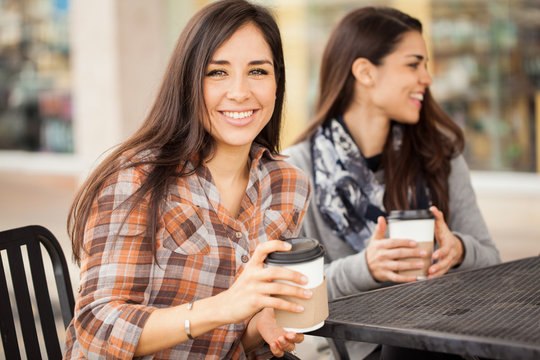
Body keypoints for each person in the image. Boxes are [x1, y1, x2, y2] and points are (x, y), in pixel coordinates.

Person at [64, 1, 312, 358]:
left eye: (258, 71)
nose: (240, 92)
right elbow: (96, 327)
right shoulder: (136, 179)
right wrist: (224, 307)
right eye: (217, 72)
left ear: (277, 82)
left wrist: (259, 327)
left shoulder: (287, 184)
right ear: (188, 81)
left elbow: (236, 333)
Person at [284, 6, 501, 359]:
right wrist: (366, 267)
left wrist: (459, 251)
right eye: (414, 64)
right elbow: (294, 295)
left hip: (453, 335)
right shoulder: (299, 168)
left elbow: (492, 261)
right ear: (365, 72)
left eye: (425, 65)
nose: (427, 78)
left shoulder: (440, 154)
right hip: (373, 348)